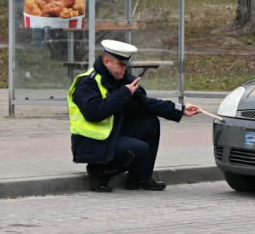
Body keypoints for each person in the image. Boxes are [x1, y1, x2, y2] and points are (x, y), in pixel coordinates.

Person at [68, 39, 199, 192]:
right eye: (121, 65)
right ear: (107, 61)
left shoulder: (121, 80)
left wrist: (180, 109)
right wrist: (124, 94)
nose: (125, 70)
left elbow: (144, 104)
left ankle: (140, 179)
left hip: (112, 134)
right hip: (91, 143)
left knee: (149, 123)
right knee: (139, 149)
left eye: (126, 66)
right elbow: (94, 112)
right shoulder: (87, 82)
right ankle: (99, 173)